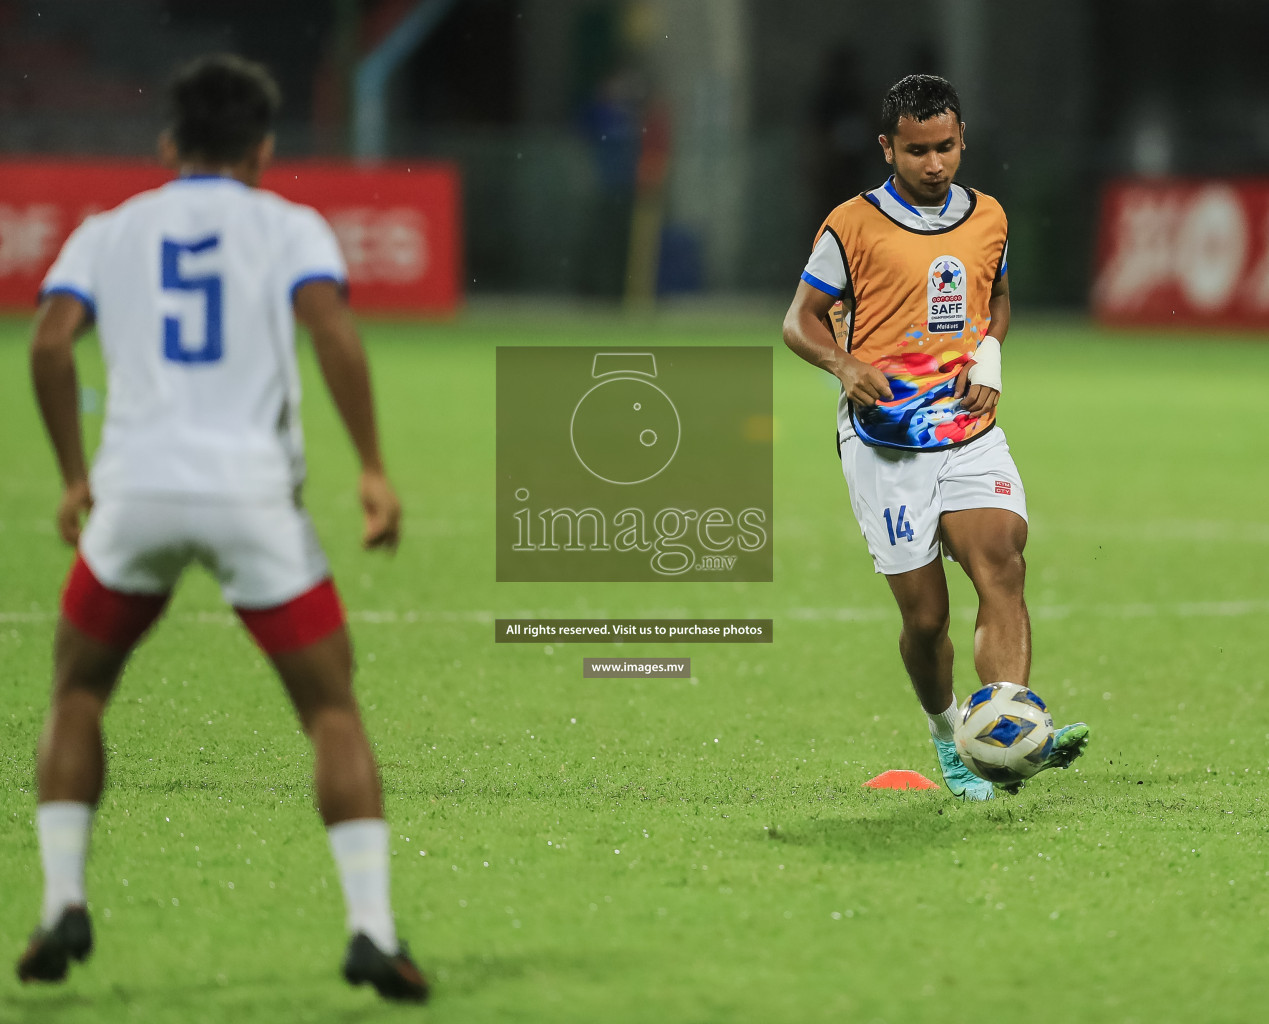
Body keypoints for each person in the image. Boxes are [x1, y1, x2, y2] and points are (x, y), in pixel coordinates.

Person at [16, 54, 427, 1001]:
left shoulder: (108, 231)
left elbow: (46, 345)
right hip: (253, 500)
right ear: (265, 148)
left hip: (136, 498)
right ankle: (370, 929)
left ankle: (62, 905)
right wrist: (369, 467)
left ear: (169, 143)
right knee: (331, 710)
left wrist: (75, 478)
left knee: (78, 693)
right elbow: (329, 330)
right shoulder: (289, 227)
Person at [782, 74, 1090, 800]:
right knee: (925, 620)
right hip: (884, 440)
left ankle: (1008, 732)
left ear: (961, 141)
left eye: (945, 147)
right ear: (887, 147)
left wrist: (988, 355)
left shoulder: (988, 218)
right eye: (916, 150)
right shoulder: (849, 226)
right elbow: (799, 319)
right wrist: (841, 361)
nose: (934, 164)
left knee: (1002, 565)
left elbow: (997, 300)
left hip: (968, 428)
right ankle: (946, 734)